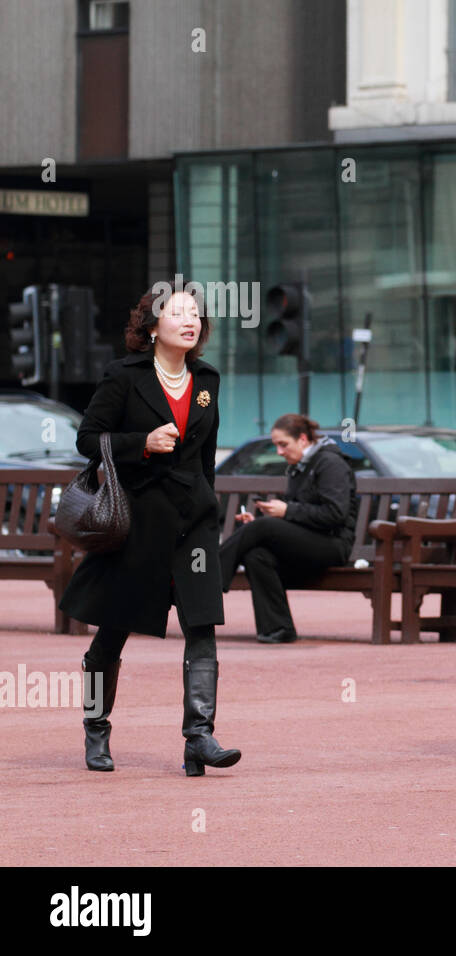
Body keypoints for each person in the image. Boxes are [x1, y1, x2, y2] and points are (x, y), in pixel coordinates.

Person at [60, 283, 241, 777]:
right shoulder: (124, 375)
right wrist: (141, 442)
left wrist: (210, 502)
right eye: (179, 313)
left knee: (202, 625)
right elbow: (86, 439)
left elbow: (207, 456)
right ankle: (96, 727)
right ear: (152, 326)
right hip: (139, 522)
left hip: (194, 523)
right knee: (112, 633)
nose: (191, 321)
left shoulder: (207, 378)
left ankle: (199, 737)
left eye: (197, 315)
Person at [218, 414, 359, 644]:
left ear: (303, 439)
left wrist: (285, 513)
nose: (279, 452)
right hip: (309, 543)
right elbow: (298, 516)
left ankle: (210, 582)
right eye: (276, 446)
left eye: (283, 444)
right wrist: (270, 519)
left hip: (333, 545)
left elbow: (335, 514)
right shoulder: (299, 467)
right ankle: (278, 629)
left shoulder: (330, 464)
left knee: (262, 528)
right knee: (257, 555)